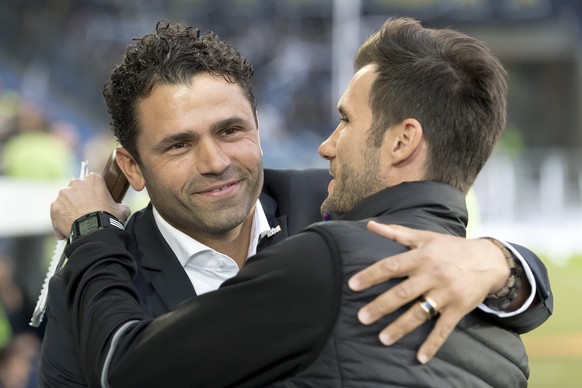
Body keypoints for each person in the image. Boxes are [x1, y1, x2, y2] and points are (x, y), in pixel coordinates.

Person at [45, 19, 551, 387]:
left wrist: (500, 262)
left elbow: (443, 242)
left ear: (258, 128)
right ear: (132, 168)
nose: (215, 161)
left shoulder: (335, 206)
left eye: (232, 130)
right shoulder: (93, 282)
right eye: (178, 144)